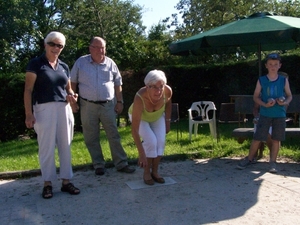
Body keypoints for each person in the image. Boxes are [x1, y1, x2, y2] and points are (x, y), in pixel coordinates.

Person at [24, 31, 80, 199]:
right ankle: (47, 183)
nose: (56, 48)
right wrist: (28, 114)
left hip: (64, 108)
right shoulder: (36, 64)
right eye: (52, 44)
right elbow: (28, 90)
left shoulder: (64, 66)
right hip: (43, 108)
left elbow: (68, 88)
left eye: (60, 46)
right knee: (46, 147)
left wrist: (73, 95)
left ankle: (66, 181)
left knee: (66, 145)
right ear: (45, 45)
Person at [70, 37, 135, 175]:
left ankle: (121, 163)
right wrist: (73, 101)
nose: (101, 50)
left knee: (114, 135)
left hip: (108, 105)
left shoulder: (110, 63)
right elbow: (72, 82)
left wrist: (120, 101)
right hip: (88, 105)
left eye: (103, 47)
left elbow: (118, 84)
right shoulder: (81, 62)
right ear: (90, 48)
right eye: (98, 47)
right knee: (90, 137)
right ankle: (98, 164)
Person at [237, 53, 292, 173]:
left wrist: (284, 103)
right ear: (266, 65)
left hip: (279, 115)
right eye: (271, 64)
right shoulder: (261, 80)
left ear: (279, 66)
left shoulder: (283, 80)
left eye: (275, 64)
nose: (273, 66)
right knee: (257, 138)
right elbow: (256, 97)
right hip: (265, 114)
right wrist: (265, 104)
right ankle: (250, 159)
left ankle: (273, 163)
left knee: (276, 139)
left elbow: (289, 96)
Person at [128, 70, 172, 185]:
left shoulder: (167, 91)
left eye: (161, 86)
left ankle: (155, 172)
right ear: (147, 86)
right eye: (154, 87)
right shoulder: (139, 97)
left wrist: (167, 122)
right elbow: (134, 130)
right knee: (151, 141)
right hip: (141, 118)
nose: (158, 91)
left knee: (161, 141)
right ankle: (146, 172)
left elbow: (168, 105)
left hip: (157, 116)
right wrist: (141, 153)